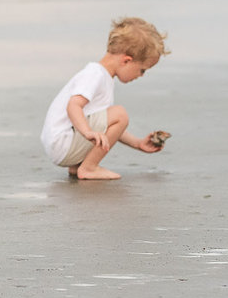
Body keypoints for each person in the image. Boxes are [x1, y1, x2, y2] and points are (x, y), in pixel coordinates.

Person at [41, 17, 170, 180]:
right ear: (126, 60)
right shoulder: (95, 75)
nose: (140, 76)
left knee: (114, 116)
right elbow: (73, 106)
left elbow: (106, 126)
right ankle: (88, 168)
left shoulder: (103, 77)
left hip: (63, 146)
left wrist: (138, 144)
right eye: (142, 70)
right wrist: (88, 132)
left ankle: (78, 166)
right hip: (62, 144)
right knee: (120, 114)